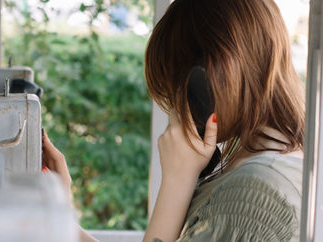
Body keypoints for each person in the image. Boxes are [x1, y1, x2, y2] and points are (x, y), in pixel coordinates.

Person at [43, 0, 305, 241]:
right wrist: (60, 218)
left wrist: (177, 181)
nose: (176, 110)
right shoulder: (280, 166)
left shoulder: (253, 193)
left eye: (176, 90)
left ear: (205, 81)